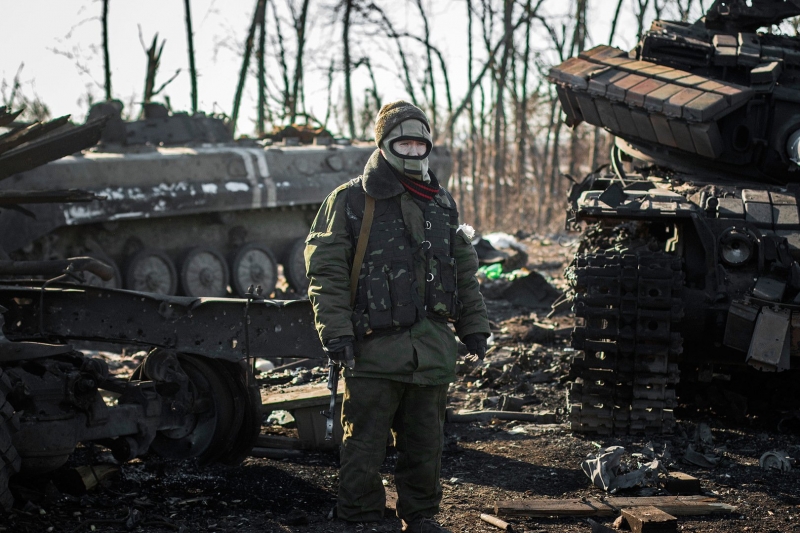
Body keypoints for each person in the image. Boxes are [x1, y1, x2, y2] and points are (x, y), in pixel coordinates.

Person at [305, 101, 490, 533]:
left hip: (431, 350)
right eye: (402, 141)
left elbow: (462, 271)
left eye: (418, 142)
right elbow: (326, 270)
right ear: (384, 144)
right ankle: (362, 517)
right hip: (372, 349)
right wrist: (335, 333)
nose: (412, 150)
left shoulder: (441, 201)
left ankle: (420, 515)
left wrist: (475, 326)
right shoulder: (351, 199)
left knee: (426, 444)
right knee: (364, 444)